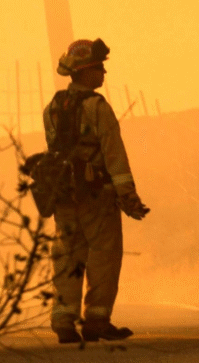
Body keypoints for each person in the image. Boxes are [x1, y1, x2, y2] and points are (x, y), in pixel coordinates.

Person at [44, 38, 150, 344]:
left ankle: (63, 320)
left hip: (64, 196)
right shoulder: (98, 108)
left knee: (67, 255)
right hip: (97, 197)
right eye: (98, 68)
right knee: (103, 255)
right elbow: (114, 155)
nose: (103, 74)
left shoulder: (52, 108)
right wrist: (128, 196)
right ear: (85, 72)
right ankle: (96, 319)